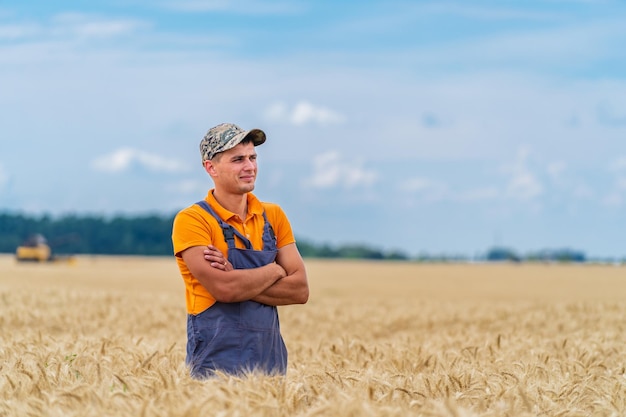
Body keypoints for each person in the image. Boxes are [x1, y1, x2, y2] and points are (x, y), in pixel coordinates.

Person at [171, 122, 309, 379]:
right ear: (210, 167)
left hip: (270, 365)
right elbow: (224, 289)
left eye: (253, 158)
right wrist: (275, 269)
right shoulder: (193, 220)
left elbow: (300, 290)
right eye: (237, 160)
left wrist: (238, 276)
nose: (250, 167)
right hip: (215, 366)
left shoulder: (273, 216)